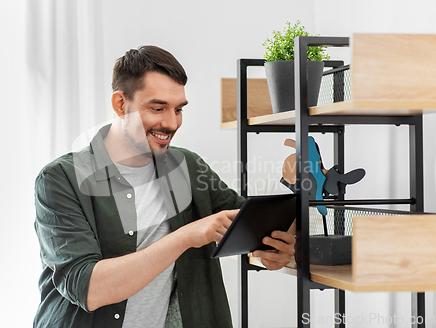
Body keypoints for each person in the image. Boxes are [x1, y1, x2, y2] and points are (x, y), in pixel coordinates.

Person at [33, 45, 296, 328]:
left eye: (179, 109)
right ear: (121, 105)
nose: (171, 123)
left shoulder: (189, 167)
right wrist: (186, 236)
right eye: (158, 108)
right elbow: (89, 288)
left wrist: (274, 248)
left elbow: (253, 225)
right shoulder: (60, 179)